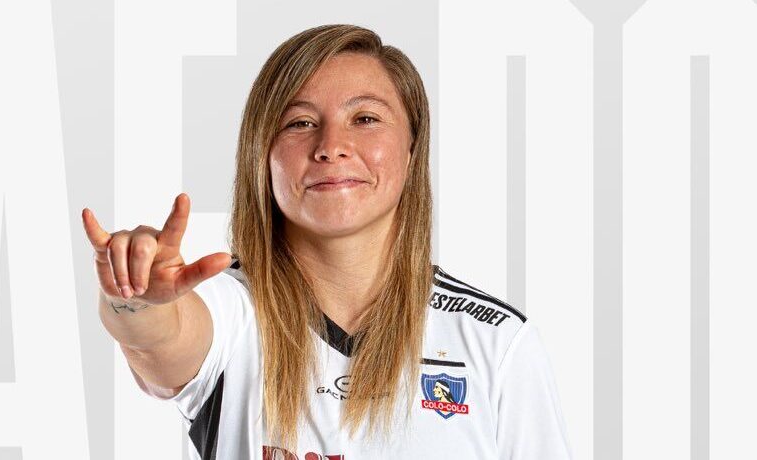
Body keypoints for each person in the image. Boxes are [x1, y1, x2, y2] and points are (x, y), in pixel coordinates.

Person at [81, 24, 573, 459]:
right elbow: (160, 338)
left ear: (412, 147)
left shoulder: (495, 341)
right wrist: (135, 297)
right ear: (261, 154)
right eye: (300, 123)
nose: (331, 146)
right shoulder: (231, 310)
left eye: (365, 119)